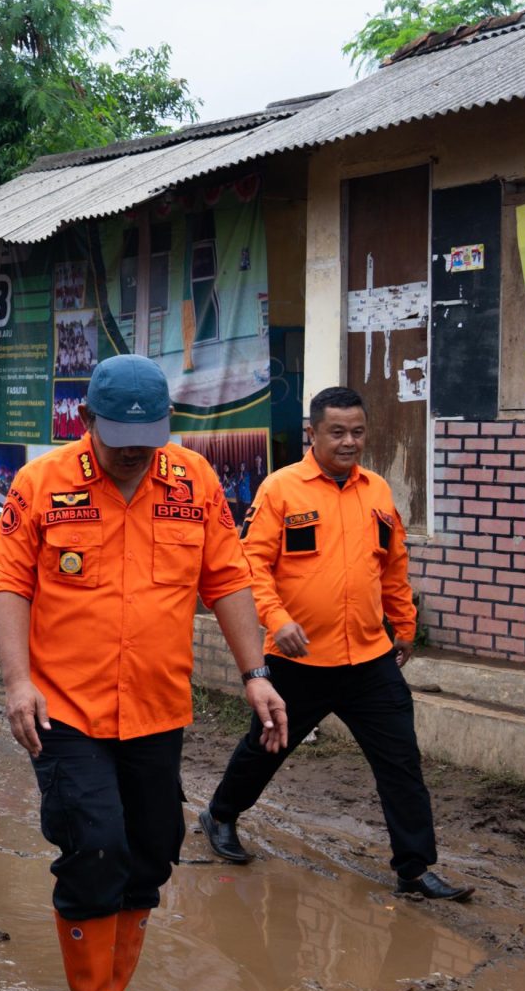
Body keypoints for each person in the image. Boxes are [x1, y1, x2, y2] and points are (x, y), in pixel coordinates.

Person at [0, 354, 287, 991]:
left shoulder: (193, 482)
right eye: (119, 433)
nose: (133, 449)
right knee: (94, 848)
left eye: (147, 435)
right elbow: (8, 584)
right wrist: (19, 681)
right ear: (86, 420)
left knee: (150, 854)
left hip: (157, 706)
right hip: (68, 709)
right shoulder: (42, 485)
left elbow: (226, 579)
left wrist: (256, 675)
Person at [197, 387, 473, 904]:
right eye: (337, 432)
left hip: (369, 659)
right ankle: (220, 815)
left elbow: (392, 565)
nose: (349, 442)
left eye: (358, 432)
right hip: (299, 661)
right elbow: (249, 565)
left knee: (401, 762)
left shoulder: (377, 491)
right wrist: (275, 621)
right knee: (266, 747)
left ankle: (413, 871)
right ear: (313, 433)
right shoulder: (281, 490)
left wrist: (404, 623)